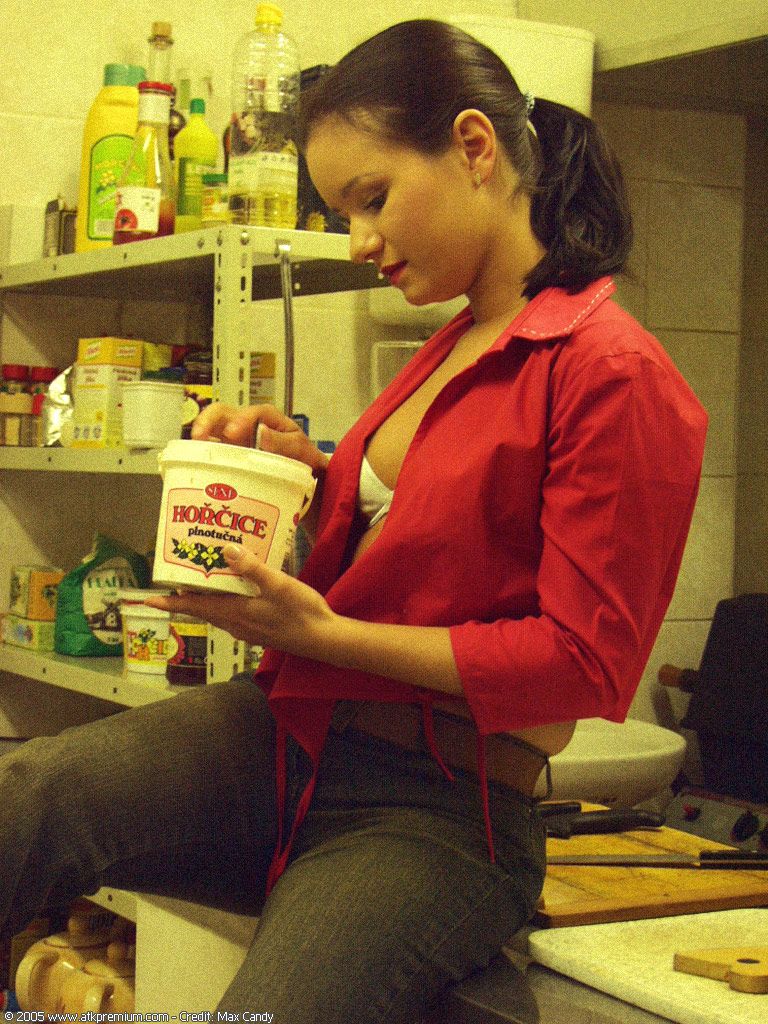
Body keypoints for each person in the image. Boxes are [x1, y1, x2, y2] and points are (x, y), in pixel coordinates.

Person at [0, 19, 707, 1022]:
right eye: (344, 212)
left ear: (474, 147)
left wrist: (325, 636)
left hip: (441, 808)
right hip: (287, 736)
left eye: (373, 199)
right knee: (26, 796)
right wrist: (296, 472)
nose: (361, 239)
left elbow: (582, 662)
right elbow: (416, 539)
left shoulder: (613, 370)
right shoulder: (453, 344)